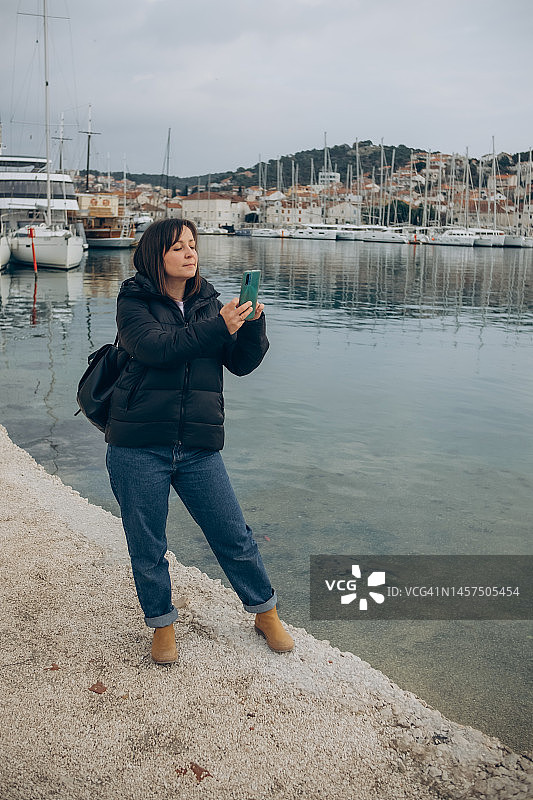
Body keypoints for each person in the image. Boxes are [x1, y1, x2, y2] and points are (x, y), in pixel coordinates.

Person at [105, 218, 294, 663]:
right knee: (147, 543)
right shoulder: (134, 300)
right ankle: (162, 625)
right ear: (157, 256)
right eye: (178, 247)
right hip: (138, 443)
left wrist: (249, 327)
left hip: (198, 444)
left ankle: (264, 612)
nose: (190, 253)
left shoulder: (209, 302)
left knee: (233, 534)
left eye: (193, 245)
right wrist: (219, 327)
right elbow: (158, 348)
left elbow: (242, 364)